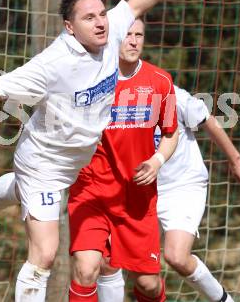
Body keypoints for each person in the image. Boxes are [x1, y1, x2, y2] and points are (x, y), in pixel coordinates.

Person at [0, 0, 204, 302]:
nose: (101, 23)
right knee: (46, 253)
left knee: (25, 197)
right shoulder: (53, 64)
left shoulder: (108, 33)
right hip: (45, 165)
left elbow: (138, 2)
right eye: (88, 17)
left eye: (102, 14)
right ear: (69, 27)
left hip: (81, 164)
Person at [97, 86, 240, 302]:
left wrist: (236, 160)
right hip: (140, 191)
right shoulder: (108, 100)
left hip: (182, 186)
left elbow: (208, 120)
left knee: (176, 256)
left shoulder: (171, 94)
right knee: (125, 271)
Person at [67, 18, 179, 302]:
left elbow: (170, 133)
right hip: (91, 189)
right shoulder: (90, 79)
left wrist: (156, 162)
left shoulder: (160, 81)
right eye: (127, 34)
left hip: (136, 197)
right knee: (86, 269)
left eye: (138, 34)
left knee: (148, 284)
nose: (133, 41)